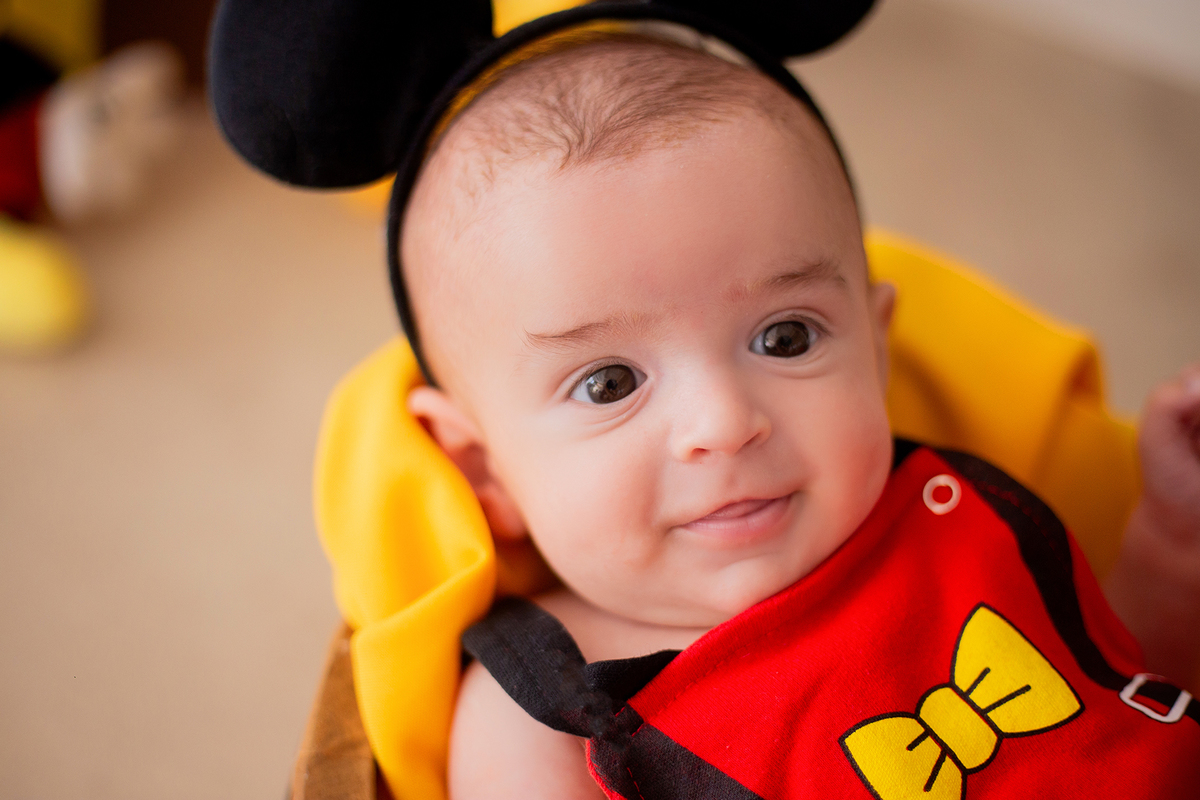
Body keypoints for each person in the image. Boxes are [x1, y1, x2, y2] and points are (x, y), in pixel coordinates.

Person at [380, 30, 1200, 799]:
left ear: (876, 351)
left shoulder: (956, 516)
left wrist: (1172, 544)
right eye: (609, 383)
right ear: (483, 467)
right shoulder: (536, 714)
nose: (724, 422)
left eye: (785, 337)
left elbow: (1123, 692)